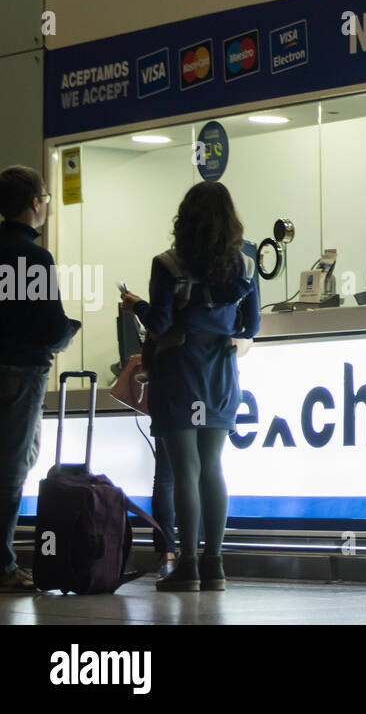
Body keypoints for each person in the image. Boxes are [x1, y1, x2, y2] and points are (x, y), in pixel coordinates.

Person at [120, 182, 258, 592]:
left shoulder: (167, 264)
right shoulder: (245, 264)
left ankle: (188, 564)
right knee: (212, 465)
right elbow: (250, 326)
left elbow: (160, 324)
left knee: (185, 469)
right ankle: (215, 564)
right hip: (220, 368)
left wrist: (136, 306)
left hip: (179, 367)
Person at [0, 165, 80, 592]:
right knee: (12, 469)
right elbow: (50, 327)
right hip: (22, 373)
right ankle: (3, 563)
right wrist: (71, 330)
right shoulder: (34, 258)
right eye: (45, 199)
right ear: (34, 204)